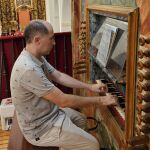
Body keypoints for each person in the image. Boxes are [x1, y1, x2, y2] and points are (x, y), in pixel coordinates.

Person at [10, 20, 117, 150]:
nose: (54, 43)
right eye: (51, 38)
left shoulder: (36, 56)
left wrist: (89, 86)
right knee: (93, 145)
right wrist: (101, 100)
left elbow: (58, 76)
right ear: (37, 40)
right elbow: (63, 101)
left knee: (81, 120)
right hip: (40, 128)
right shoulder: (28, 69)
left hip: (49, 114)